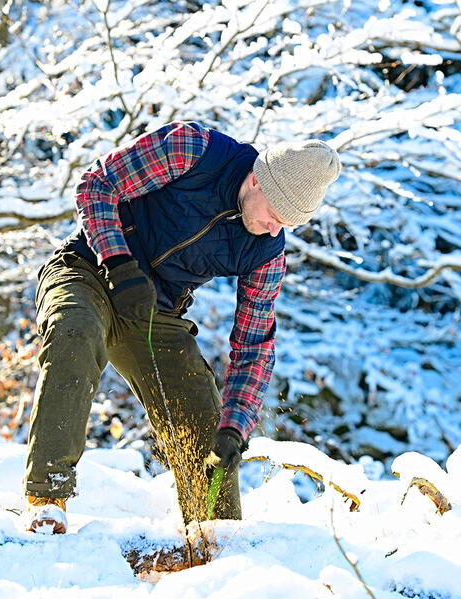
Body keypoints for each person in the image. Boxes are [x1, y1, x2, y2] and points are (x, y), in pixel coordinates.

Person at [23, 121, 341, 534]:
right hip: (87, 269)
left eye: (287, 226)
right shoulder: (193, 150)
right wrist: (119, 262)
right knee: (75, 331)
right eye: (275, 216)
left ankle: (216, 539)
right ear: (257, 181)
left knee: (203, 415)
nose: (275, 230)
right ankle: (47, 500)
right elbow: (96, 184)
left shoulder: (266, 253)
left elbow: (254, 346)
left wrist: (236, 425)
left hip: (154, 314)